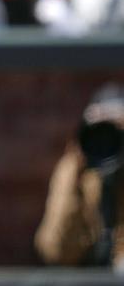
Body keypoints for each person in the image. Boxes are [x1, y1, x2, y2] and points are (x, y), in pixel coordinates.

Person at [35, 83, 124, 271]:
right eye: (101, 129)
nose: (108, 138)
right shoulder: (78, 171)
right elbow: (56, 252)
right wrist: (76, 169)